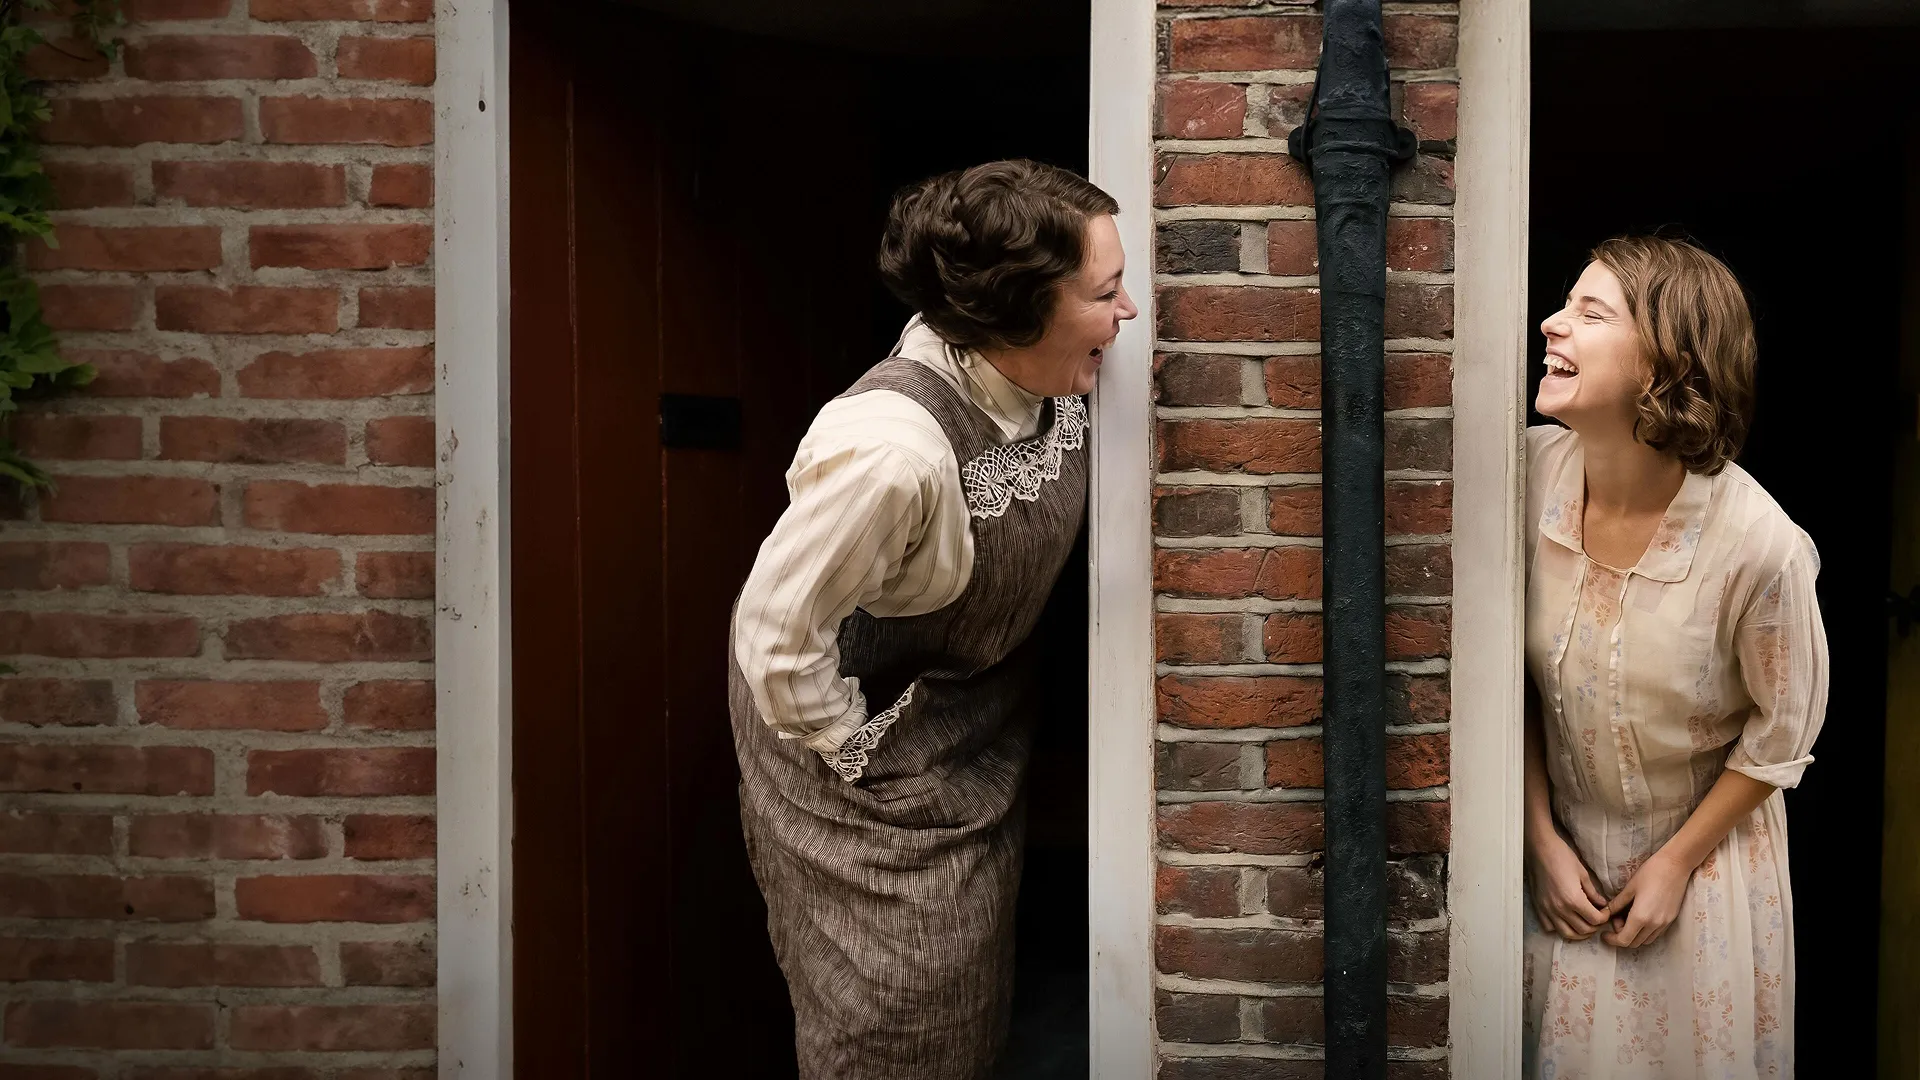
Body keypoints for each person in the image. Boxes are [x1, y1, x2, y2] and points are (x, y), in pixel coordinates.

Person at [727, 158, 1135, 1079]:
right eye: (1106, 292)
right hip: (862, 785)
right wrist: (863, 760)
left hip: (969, 740)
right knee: (894, 1021)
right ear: (1016, 311)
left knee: (966, 1010)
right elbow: (774, 633)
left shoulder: (1044, 375)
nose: (1130, 313)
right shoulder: (888, 451)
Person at [1520, 235, 1828, 1077]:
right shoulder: (1523, 477)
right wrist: (1538, 838)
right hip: (1556, 871)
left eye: (1590, 312)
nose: (1552, 324)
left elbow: (1780, 735)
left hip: (1701, 875)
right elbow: (1496, 683)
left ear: (1668, 362)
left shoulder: (1760, 547)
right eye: (1564, 303)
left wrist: (1674, 863)